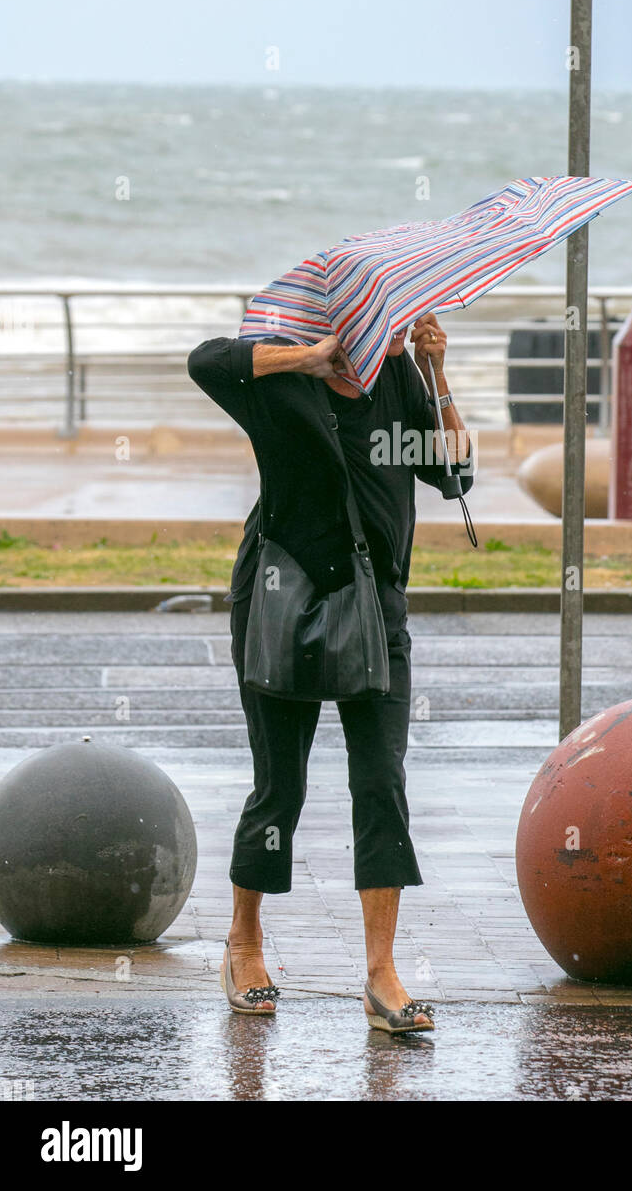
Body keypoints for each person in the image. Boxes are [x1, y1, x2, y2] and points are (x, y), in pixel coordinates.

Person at [187, 314, 473, 1031]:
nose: (407, 327)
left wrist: (437, 374)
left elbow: (453, 471)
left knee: (382, 781)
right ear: (353, 320)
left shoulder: (401, 380)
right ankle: (244, 943)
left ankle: (381, 974)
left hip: (376, 609)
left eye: (410, 319)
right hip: (285, 599)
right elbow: (206, 360)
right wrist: (305, 359)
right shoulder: (283, 386)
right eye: (394, 317)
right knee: (280, 783)